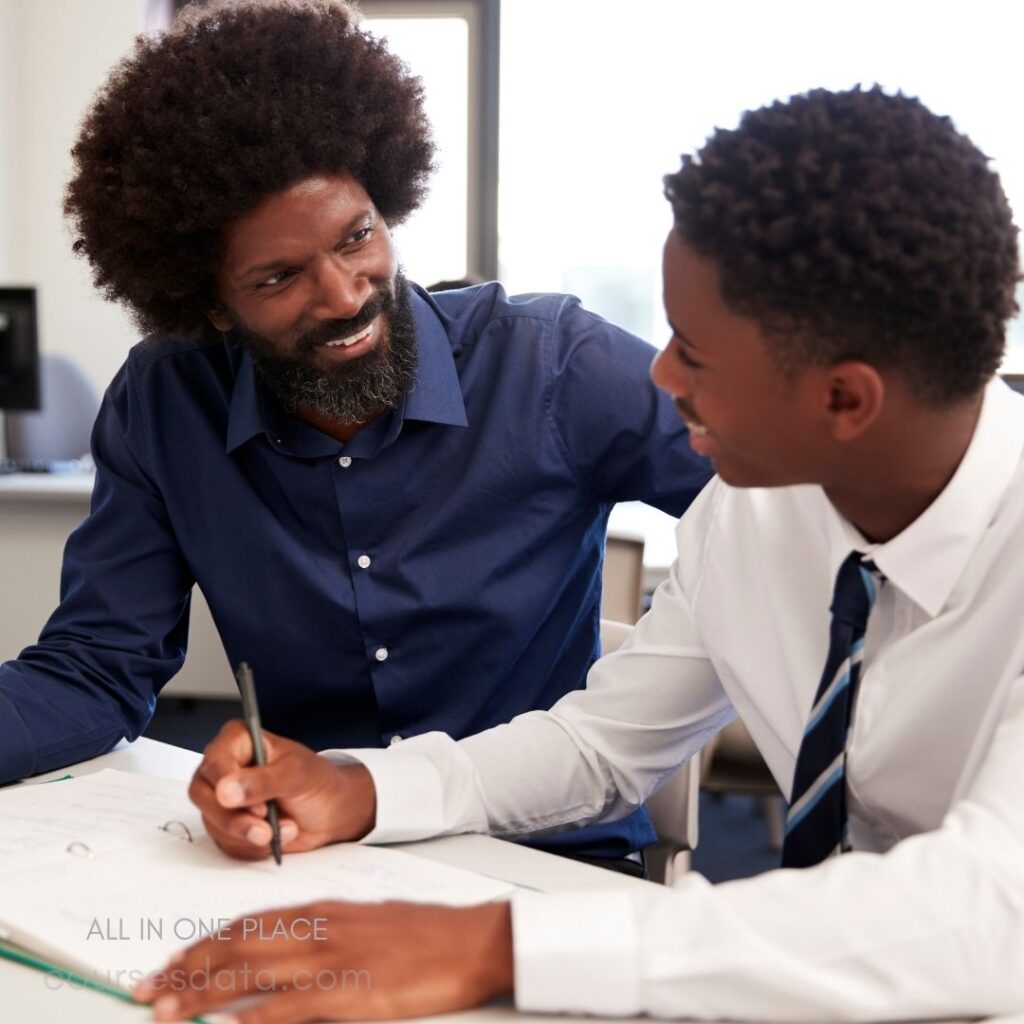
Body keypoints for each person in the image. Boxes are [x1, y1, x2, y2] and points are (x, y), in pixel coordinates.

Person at [139, 85, 1024, 1023]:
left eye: (692, 351)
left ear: (845, 401)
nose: (658, 376)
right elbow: (603, 747)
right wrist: (359, 789)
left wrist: (494, 947)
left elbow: (989, 913)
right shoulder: (751, 515)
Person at [0, 0, 712, 873]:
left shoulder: (553, 366)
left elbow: (779, 511)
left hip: (555, 856)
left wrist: (672, 666)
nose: (343, 294)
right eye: (280, 276)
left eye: (358, 236)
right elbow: (94, 669)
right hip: (310, 853)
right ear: (212, 306)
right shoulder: (165, 401)